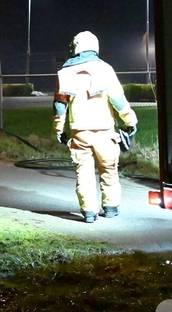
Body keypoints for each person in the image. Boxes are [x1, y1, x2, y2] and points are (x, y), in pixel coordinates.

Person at [53, 31, 138, 223]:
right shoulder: (105, 69)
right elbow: (118, 100)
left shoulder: (65, 71)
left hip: (79, 131)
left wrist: (59, 129)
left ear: (75, 47)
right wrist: (130, 121)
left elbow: (60, 105)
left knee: (83, 172)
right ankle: (110, 207)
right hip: (105, 131)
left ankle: (89, 212)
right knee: (108, 169)